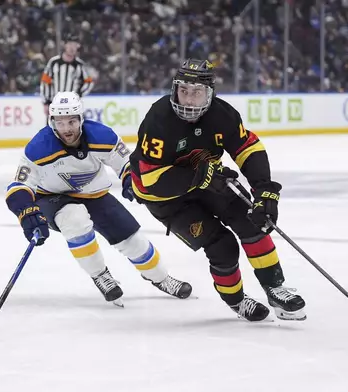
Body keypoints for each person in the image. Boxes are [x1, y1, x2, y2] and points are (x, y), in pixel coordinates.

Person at [127, 59, 306, 321]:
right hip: (165, 197)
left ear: (210, 94)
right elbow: (151, 179)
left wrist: (265, 191)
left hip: (206, 179)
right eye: (184, 91)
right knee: (223, 246)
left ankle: (275, 287)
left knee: (254, 221)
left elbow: (248, 149)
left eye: (197, 92)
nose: (188, 100)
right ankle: (236, 301)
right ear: (174, 89)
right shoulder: (158, 120)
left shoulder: (223, 115)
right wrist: (203, 175)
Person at [5, 92, 192, 307]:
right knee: (75, 219)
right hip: (52, 198)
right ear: (51, 121)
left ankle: (161, 278)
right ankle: (100, 275)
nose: (67, 129)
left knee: (133, 241)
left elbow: (127, 163)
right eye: (60, 122)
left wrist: (131, 180)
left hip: (95, 195)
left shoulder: (102, 136)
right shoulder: (39, 147)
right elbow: (18, 187)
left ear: (81, 119)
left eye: (72, 121)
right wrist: (26, 213)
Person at [40, 34, 95, 118]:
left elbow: (89, 82)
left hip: (72, 105)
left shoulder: (80, 65)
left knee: (74, 128)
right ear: (65, 45)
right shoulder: (54, 62)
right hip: (55, 104)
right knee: (53, 129)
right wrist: (46, 102)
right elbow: (45, 82)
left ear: (78, 46)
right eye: (70, 44)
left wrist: (79, 94)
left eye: (74, 45)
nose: (72, 48)